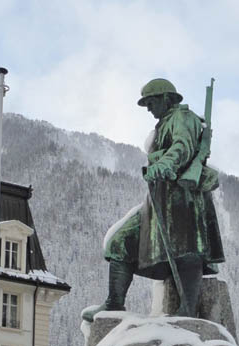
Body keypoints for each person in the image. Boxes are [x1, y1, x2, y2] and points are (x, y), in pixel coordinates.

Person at [82, 78, 225, 322]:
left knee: (187, 249)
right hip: (160, 197)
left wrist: (164, 164)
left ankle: (187, 310)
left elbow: (183, 147)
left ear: (166, 98)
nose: (148, 108)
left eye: (151, 102)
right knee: (119, 242)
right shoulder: (163, 124)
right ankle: (114, 302)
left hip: (183, 196)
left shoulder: (183, 118)